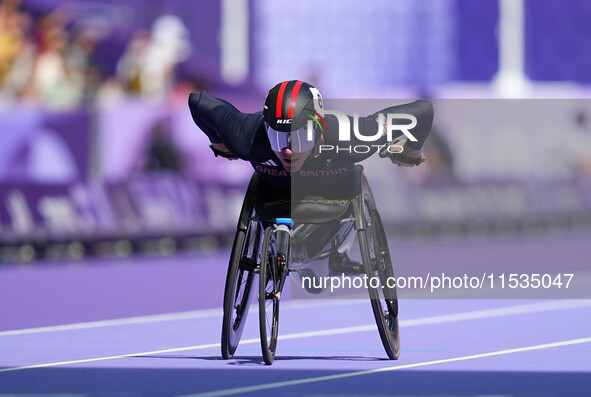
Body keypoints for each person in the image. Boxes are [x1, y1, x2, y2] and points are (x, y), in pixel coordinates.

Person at [189, 80, 433, 274]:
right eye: (277, 137)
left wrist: (412, 150)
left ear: (318, 129)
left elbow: (423, 111)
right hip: (274, 190)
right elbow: (197, 100)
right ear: (266, 128)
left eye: (299, 137)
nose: (288, 150)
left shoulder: (353, 135)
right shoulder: (245, 135)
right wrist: (219, 141)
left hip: (334, 192)